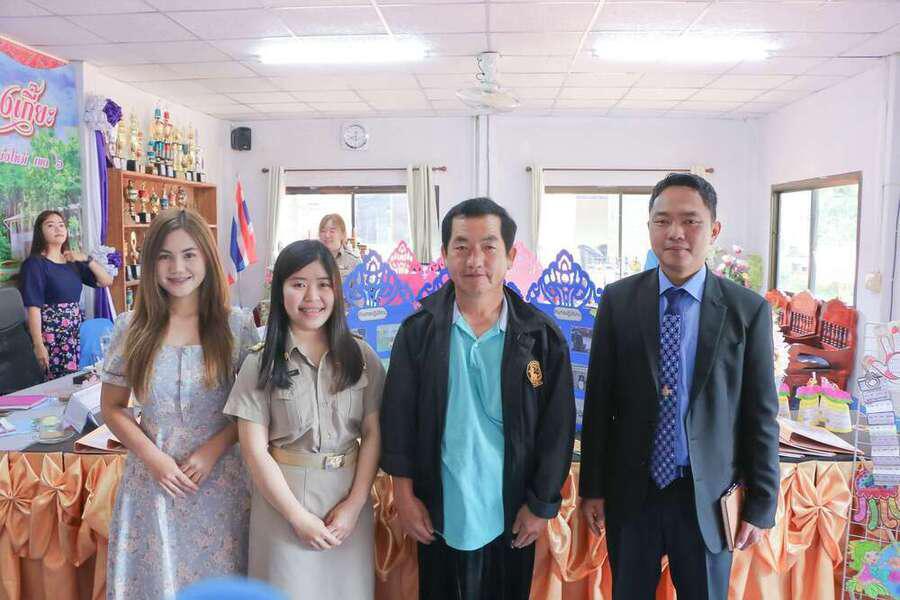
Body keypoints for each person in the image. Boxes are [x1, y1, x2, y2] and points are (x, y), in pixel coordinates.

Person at [579, 173, 779, 600]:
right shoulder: (618, 301)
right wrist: (592, 487)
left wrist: (762, 504)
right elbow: (598, 403)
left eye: (690, 221)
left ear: (714, 229)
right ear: (649, 226)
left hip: (707, 495)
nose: (675, 233)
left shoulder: (747, 311)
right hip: (633, 492)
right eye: (662, 220)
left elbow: (761, 414)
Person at [380, 197, 576, 600]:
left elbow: (557, 430)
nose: (475, 260)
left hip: (511, 510)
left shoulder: (541, 337)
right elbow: (398, 419)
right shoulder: (418, 332)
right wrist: (404, 495)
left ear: (511, 256)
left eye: (488, 247)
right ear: (444, 255)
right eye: (461, 247)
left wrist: (541, 505)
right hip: (439, 507)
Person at [99, 209, 259, 600]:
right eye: (165, 257)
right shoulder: (131, 328)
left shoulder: (237, 327)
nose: (177, 268)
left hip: (223, 485)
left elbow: (255, 411)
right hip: (153, 486)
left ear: (207, 258)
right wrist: (153, 458)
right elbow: (113, 407)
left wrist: (213, 449)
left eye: (189, 255)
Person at [224, 240, 384, 600]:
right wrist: (296, 516)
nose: (312, 296)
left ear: (336, 291)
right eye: (298, 284)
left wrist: (354, 506)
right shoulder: (260, 363)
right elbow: (254, 452)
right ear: (279, 290)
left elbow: (374, 434)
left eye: (323, 284)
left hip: (347, 505)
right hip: (282, 505)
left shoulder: (361, 357)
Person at [19, 210, 113, 379]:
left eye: (61, 225)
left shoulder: (72, 262)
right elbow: (33, 308)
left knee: (74, 381)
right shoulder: (35, 264)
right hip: (50, 334)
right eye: (51, 225)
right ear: (40, 232)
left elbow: (106, 280)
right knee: (54, 384)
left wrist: (86, 259)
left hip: (74, 333)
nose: (58, 229)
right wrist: (38, 344)